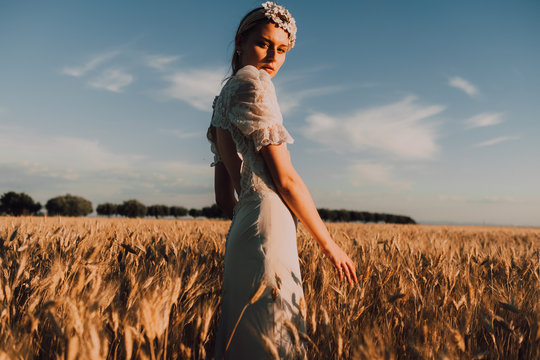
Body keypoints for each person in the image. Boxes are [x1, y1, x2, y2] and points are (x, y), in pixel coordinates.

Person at [207, 2, 358, 359]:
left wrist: (247, 212)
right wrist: (328, 245)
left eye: (282, 49)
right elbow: (287, 180)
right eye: (264, 44)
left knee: (244, 335)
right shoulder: (256, 86)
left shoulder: (221, 99)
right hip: (270, 225)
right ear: (240, 41)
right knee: (274, 335)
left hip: (242, 230)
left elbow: (224, 200)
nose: (273, 56)